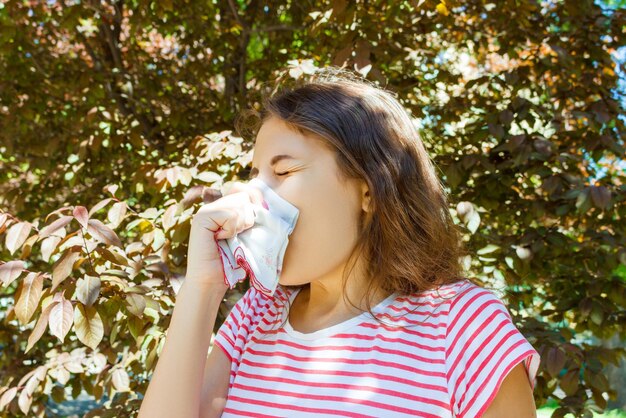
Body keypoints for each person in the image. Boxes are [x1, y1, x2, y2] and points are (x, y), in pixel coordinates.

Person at [138, 66, 540, 418]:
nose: (254, 199)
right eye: (256, 176)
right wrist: (202, 286)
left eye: (283, 171)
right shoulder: (255, 317)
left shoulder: (462, 325)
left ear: (369, 190)